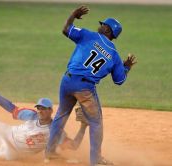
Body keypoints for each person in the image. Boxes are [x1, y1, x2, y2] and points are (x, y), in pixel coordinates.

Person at [45, 5, 137, 166]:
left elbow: (66, 30)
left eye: (103, 24)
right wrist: (127, 67)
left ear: (108, 30)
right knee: (95, 122)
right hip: (85, 89)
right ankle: (96, 161)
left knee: (61, 115)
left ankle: (50, 152)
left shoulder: (88, 35)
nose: (100, 25)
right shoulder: (114, 55)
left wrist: (73, 15)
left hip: (67, 81)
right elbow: (119, 80)